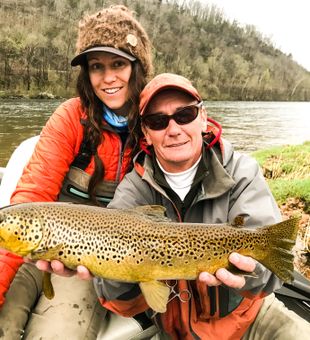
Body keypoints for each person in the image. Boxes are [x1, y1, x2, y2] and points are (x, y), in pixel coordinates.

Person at [92, 73, 310, 339]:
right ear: (146, 134)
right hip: (175, 331)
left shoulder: (242, 172)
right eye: (158, 121)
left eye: (184, 115)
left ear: (203, 118)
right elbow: (114, 298)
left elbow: (274, 275)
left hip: (248, 319)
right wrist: (117, 266)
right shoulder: (133, 191)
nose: (173, 129)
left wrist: (250, 273)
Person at [0, 5, 153, 339]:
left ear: (138, 68)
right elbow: (32, 195)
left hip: (92, 266)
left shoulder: (159, 126)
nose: (108, 77)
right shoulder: (70, 117)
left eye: (119, 64)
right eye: (96, 67)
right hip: (35, 250)